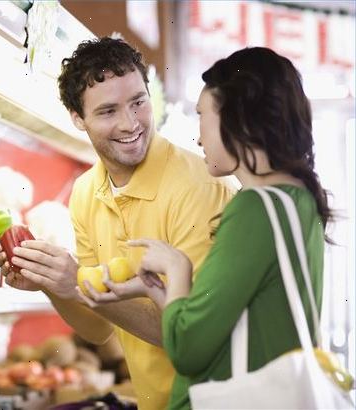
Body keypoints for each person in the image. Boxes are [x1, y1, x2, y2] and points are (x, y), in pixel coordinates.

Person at [79, 46, 331, 409]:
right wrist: (153, 290)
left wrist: (177, 269)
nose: (199, 139)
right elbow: (230, 321)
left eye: (202, 117)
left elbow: (188, 349)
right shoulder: (299, 202)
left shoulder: (254, 208)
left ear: (236, 120)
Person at [0, 37, 232, 409]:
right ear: (78, 119)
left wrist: (74, 281)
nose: (130, 123)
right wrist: (53, 285)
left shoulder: (197, 185)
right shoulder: (86, 193)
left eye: (138, 102)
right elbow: (98, 328)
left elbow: (192, 331)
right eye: (107, 112)